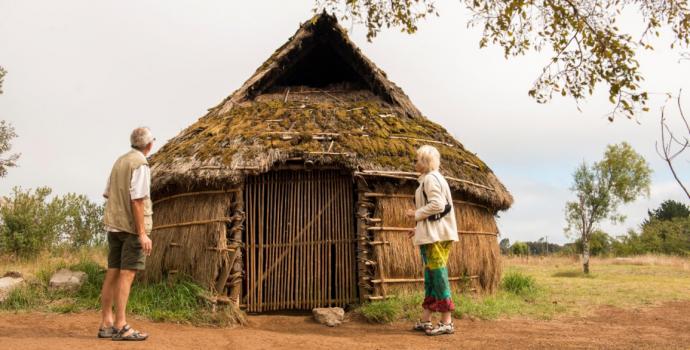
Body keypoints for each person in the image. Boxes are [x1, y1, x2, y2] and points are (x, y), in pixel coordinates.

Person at [98, 127, 155, 341]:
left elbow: (108, 193)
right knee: (127, 274)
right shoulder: (140, 164)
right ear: (150, 145)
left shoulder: (119, 162)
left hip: (114, 226)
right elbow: (137, 200)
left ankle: (106, 323)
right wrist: (142, 233)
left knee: (113, 272)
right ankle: (121, 325)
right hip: (131, 229)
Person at [405, 145, 459, 336]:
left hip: (437, 237)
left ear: (426, 162)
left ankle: (447, 322)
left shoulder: (430, 179)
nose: (415, 163)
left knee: (437, 275)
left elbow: (438, 205)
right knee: (431, 277)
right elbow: (439, 211)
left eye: (418, 159)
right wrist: (418, 228)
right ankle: (426, 319)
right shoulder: (431, 179)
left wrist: (416, 214)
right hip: (434, 234)